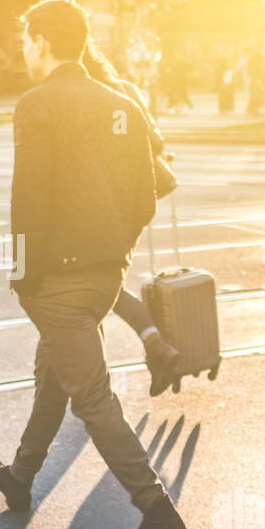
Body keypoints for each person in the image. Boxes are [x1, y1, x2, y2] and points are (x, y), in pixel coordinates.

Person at [0, 0, 190, 529]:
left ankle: (157, 510)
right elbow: (147, 197)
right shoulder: (120, 103)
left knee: (92, 399)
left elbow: (29, 199)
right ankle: (21, 478)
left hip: (58, 283)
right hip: (103, 276)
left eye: (26, 40)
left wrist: (26, 277)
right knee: (54, 374)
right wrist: (114, 248)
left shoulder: (37, 104)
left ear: (44, 42)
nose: (22, 50)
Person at [79, 41, 184, 396]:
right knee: (102, 284)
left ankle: (154, 348)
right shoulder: (125, 90)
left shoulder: (83, 98)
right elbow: (155, 142)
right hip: (138, 201)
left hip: (105, 205)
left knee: (96, 287)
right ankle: (155, 347)